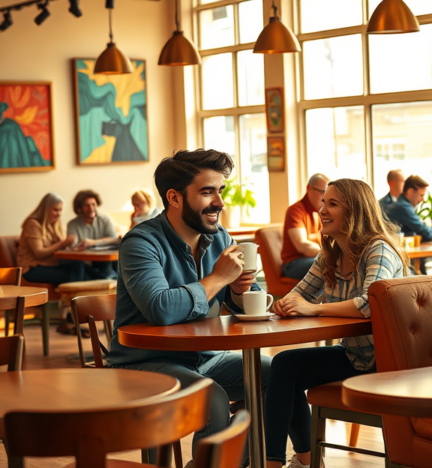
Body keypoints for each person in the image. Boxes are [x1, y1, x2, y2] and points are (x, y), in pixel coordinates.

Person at [108, 149, 272, 464]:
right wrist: (218, 278)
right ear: (175, 197)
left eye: (219, 191)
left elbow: (248, 299)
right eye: (207, 191)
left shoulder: (220, 237)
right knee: (211, 397)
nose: (220, 202)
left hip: (205, 358)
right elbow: (160, 308)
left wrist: (238, 291)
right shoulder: (141, 243)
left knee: (275, 373)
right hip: (142, 363)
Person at [265, 179, 409, 468]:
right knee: (283, 366)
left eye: (332, 204)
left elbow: (369, 304)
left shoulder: (378, 249)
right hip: (357, 356)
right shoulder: (330, 253)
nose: (322, 210)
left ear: (355, 211)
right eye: (322, 202)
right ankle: (298, 460)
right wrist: (284, 304)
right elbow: (300, 294)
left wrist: (313, 309)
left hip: (390, 362)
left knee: (285, 367)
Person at [17, 193, 84, 284]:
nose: (59, 214)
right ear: (45, 209)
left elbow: (61, 249)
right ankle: (74, 297)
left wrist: (73, 246)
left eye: (60, 210)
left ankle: (106, 280)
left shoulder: (55, 224)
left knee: (81, 266)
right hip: (32, 268)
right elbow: (39, 253)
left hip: (53, 264)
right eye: (55, 210)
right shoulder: (32, 224)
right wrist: (63, 243)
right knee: (79, 273)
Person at [280, 173, 329, 280]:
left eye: (327, 193)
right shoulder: (295, 210)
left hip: (315, 257)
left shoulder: (323, 211)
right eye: (322, 192)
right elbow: (302, 245)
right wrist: (327, 253)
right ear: (309, 189)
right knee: (327, 264)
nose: (325, 197)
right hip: (294, 263)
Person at [66, 189, 121, 279]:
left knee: (110, 265)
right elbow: (72, 246)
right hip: (86, 263)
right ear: (79, 208)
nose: (91, 208)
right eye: (86, 205)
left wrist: (93, 242)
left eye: (93, 204)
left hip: (105, 261)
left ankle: (110, 278)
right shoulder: (72, 224)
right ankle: (110, 279)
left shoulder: (105, 220)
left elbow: (114, 239)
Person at [383, 175, 432, 241]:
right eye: (421, 195)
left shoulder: (401, 204)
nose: (423, 200)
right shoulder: (403, 207)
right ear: (410, 191)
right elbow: (421, 229)